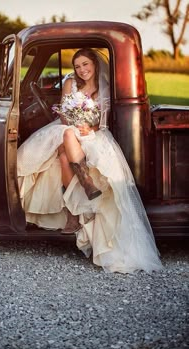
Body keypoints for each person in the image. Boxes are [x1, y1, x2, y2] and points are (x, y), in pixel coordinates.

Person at [17, 48, 163, 274]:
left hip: (92, 134)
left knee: (65, 159)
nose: (82, 70)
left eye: (85, 64)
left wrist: (88, 128)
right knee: (65, 135)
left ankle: (74, 216)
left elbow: (101, 123)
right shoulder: (69, 83)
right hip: (67, 129)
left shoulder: (104, 86)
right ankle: (87, 185)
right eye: (77, 66)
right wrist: (74, 124)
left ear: (94, 64)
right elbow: (64, 114)